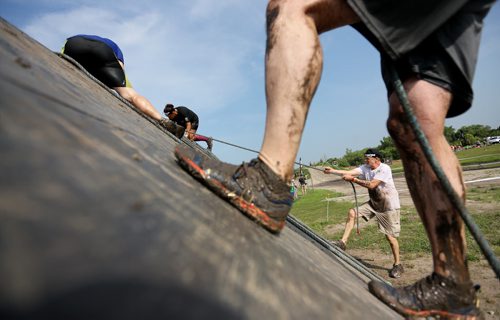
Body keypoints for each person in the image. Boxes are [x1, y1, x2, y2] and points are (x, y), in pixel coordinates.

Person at [175, 1, 494, 318]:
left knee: (292, 8)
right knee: (415, 118)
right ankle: (453, 282)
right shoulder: (365, 167)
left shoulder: (378, 170)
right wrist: (339, 171)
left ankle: (268, 179)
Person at [62, 34, 178, 134]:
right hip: (104, 50)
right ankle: (162, 120)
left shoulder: (80, 39)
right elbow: (119, 72)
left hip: (74, 43)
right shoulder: (115, 50)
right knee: (131, 95)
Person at [324, 149, 403, 278]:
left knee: (390, 237)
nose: (365, 160)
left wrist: (354, 180)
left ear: (376, 158)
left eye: (368, 158)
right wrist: (332, 171)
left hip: (388, 206)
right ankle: (343, 243)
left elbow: (372, 185)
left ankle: (398, 265)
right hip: (373, 204)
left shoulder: (384, 168)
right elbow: (349, 172)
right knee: (352, 213)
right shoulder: (365, 168)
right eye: (365, 158)